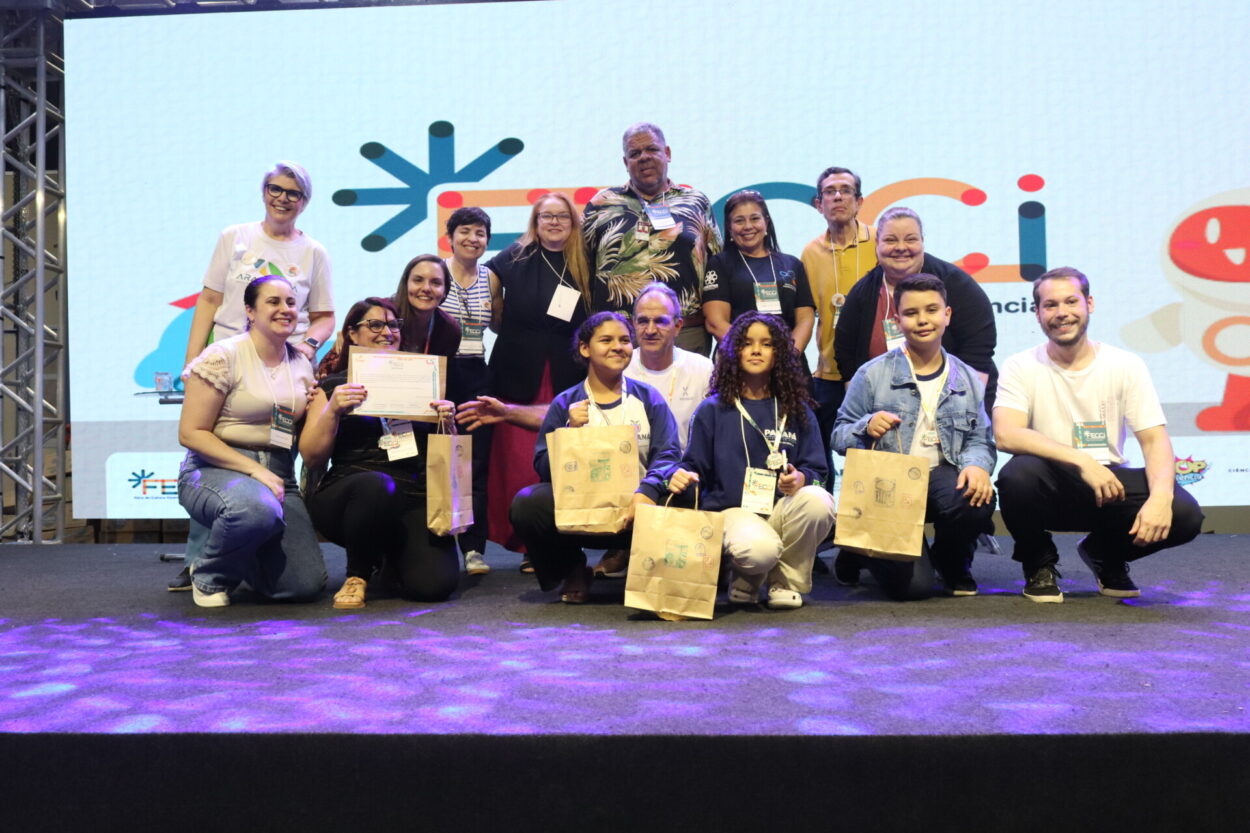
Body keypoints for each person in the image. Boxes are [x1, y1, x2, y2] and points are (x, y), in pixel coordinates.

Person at [171, 161, 336, 592]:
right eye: (275, 189)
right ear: (263, 191)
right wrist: (192, 362)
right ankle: (198, 566)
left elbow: (324, 318)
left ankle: (254, 558)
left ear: (305, 201)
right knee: (219, 458)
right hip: (227, 362)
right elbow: (208, 301)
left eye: (293, 193)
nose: (282, 198)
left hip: (283, 363)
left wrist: (309, 346)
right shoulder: (235, 236)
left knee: (302, 580)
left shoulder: (314, 251)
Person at [993, 267, 1204, 603]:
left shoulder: (1125, 364)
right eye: (1050, 305)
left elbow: (1154, 439)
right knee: (1017, 475)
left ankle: (1105, 553)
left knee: (1185, 512)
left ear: (1089, 303)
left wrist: (1161, 498)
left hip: (1110, 485)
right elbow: (1006, 434)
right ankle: (1038, 564)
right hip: (1051, 485)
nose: (1061, 313)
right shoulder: (1021, 365)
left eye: (1071, 301)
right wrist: (1081, 460)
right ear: (1037, 313)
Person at [832, 274, 996, 599]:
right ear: (896, 320)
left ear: (947, 315)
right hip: (888, 489)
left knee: (977, 498)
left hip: (941, 478)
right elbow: (838, 435)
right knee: (914, 589)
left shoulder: (967, 377)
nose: (922, 320)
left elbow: (981, 439)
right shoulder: (872, 373)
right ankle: (858, 549)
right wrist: (865, 425)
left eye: (931, 310)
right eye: (911, 313)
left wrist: (977, 465)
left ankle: (952, 563)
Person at [509, 312, 681, 603]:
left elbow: (669, 454)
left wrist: (647, 491)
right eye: (606, 340)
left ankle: (654, 574)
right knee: (529, 502)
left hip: (636, 509)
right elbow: (542, 468)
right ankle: (572, 568)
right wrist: (569, 432)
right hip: (582, 512)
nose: (618, 347)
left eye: (625, 340)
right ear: (585, 348)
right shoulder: (565, 403)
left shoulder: (648, 398)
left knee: (685, 496)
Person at [668, 312, 835, 610]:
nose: (756, 350)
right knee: (759, 550)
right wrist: (680, 474)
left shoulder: (797, 410)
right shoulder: (712, 410)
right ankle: (747, 575)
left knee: (818, 501)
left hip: (782, 510)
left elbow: (819, 473)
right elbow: (694, 466)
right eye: (747, 343)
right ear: (733, 352)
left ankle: (784, 584)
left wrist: (801, 479)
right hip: (733, 511)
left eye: (767, 344)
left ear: (780, 353)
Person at [301, 297, 461, 609]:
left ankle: (391, 559)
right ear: (352, 334)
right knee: (377, 486)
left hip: (412, 493)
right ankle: (357, 574)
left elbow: (446, 456)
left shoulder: (421, 380)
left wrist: (448, 423)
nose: (386, 332)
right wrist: (333, 410)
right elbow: (311, 456)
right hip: (351, 494)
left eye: (393, 325)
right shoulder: (334, 386)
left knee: (433, 587)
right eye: (375, 324)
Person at [176, 275, 325, 607]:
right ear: (250, 311)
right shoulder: (222, 356)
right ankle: (209, 575)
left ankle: (243, 558)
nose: (285, 309)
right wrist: (255, 471)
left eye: (290, 302)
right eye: (273, 302)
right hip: (215, 471)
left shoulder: (301, 362)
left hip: (279, 474)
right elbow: (190, 432)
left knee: (302, 586)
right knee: (254, 510)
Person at [480, 192, 591, 566]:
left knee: (561, 457)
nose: (555, 222)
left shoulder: (586, 261)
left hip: (568, 372)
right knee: (517, 459)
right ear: (535, 221)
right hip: (516, 370)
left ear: (573, 221)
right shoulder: (514, 256)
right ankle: (525, 540)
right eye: (547, 216)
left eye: (562, 216)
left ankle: (554, 536)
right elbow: (487, 291)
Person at [586, 282, 712, 579]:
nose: (650, 329)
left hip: (691, 471)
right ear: (633, 325)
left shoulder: (703, 369)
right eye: (642, 321)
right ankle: (623, 548)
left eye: (661, 321)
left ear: (678, 326)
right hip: (634, 473)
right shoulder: (618, 368)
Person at [834, 206, 998, 408]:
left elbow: (978, 351)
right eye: (890, 240)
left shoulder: (956, 284)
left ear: (922, 242)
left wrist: (960, 409)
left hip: (957, 405)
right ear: (877, 244)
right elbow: (846, 355)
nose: (901, 247)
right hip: (885, 411)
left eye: (910, 239)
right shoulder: (863, 292)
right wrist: (860, 413)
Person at [582, 122, 722, 355]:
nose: (644, 157)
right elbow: (581, 265)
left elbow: (716, 265)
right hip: (618, 334)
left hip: (685, 331)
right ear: (626, 163)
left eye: (652, 150)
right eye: (635, 153)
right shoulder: (601, 204)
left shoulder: (696, 202)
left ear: (667, 154)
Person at [801, 166, 877, 478]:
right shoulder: (810, 253)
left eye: (845, 190)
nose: (838, 197)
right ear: (819, 205)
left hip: (878, 370)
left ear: (859, 201)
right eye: (830, 192)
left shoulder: (880, 242)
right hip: (828, 371)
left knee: (875, 454)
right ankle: (828, 524)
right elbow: (807, 314)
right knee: (822, 454)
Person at [439, 207, 501, 576]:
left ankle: (474, 549)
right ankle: (438, 540)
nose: (472, 239)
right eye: (465, 231)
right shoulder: (434, 272)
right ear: (450, 236)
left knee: (476, 465)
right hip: (442, 374)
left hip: (478, 373)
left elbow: (500, 323)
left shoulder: (491, 279)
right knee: (442, 459)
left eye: (480, 233)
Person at [703, 190, 815, 362]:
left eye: (755, 218)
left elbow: (805, 319)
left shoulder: (792, 264)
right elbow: (715, 323)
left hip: (788, 365)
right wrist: (754, 355)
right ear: (729, 227)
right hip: (738, 363)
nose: (748, 226)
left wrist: (787, 356)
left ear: (766, 222)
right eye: (739, 221)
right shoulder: (720, 264)